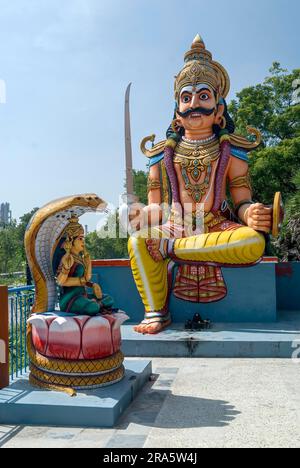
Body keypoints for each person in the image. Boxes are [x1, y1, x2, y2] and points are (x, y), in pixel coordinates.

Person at [128, 35, 272, 335]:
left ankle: (172, 250)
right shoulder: (160, 156)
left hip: (217, 227)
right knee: (137, 241)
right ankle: (156, 312)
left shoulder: (232, 151)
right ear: (177, 111)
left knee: (254, 241)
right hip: (177, 225)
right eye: (186, 97)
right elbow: (157, 206)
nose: (194, 104)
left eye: (203, 96)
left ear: (218, 109)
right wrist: (143, 215)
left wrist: (253, 214)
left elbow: (241, 201)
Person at [55, 216, 114, 315]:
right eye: (80, 239)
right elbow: (60, 281)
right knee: (93, 307)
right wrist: (66, 268)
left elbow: (85, 278)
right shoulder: (67, 258)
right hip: (70, 298)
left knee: (109, 299)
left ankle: (96, 304)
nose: (83, 241)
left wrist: (92, 285)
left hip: (82, 295)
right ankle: (97, 305)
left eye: (83, 238)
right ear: (71, 240)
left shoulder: (81, 258)